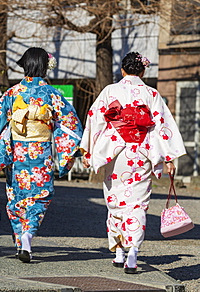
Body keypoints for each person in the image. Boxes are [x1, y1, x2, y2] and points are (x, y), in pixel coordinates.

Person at [80, 51, 186, 274]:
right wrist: (168, 158)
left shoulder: (110, 90)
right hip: (141, 152)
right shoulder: (151, 93)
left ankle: (119, 252)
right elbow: (161, 126)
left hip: (115, 152)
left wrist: (89, 152)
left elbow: (96, 118)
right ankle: (132, 254)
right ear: (143, 71)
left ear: (122, 70)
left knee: (115, 201)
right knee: (137, 204)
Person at [0, 47, 82, 263]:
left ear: (25, 65)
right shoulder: (52, 94)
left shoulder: (12, 93)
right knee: (41, 194)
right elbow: (70, 125)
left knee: (16, 198)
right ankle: (28, 235)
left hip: (16, 153)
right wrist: (69, 153)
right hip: (40, 153)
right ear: (45, 67)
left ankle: (20, 243)